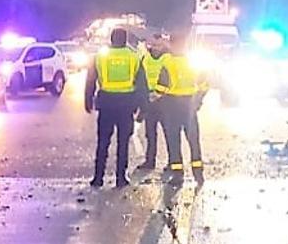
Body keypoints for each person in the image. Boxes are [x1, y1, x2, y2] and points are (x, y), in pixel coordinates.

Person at [84, 27, 148, 187]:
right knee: (123, 143)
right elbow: (142, 85)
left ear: (111, 39)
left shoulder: (99, 57)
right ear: (125, 40)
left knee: (103, 142)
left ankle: (98, 178)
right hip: (126, 105)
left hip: (106, 104)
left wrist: (88, 100)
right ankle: (121, 178)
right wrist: (143, 108)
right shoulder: (134, 57)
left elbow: (90, 80)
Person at [155, 32, 206, 185]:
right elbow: (204, 84)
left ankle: (178, 175)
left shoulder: (167, 62)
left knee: (174, 140)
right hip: (189, 105)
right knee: (193, 140)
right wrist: (199, 100)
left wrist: (153, 99)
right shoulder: (194, 61)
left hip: (172, 105)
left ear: (171, 44)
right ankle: (198, 174)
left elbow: (161, 87)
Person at [138, 33, 169, 170]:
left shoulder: (168, 58)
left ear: (164, 44)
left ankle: (172, 162)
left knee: (169, 133)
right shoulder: (144, 58)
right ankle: (150, 161)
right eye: (154, 44)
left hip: (165, 100)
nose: (156, 48)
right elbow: (139, 79)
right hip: (149, 99)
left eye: (159, 45)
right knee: (150, 134)